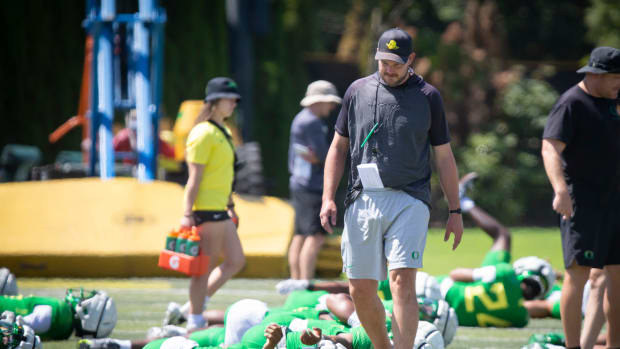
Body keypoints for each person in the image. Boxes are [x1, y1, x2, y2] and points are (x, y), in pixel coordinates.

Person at [320, 27, 464, 349]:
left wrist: (455, 210)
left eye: (396, 63)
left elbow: (443, 157)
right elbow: (338, 147)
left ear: (411, 60)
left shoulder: (429, 97)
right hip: (363, 198)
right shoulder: (356, 90)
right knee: (359, 289)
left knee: (402, 282)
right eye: (383, 61)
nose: (388, 68)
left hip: (410, 199)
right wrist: (328, 197)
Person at [541, 46, 620, 349]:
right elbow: (550, 148)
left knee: (617, 279)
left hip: (615, 203)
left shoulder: (613, 101)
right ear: (595, 75)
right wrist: (560, 189)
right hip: (583, 203)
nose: (619, 84)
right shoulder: (571, 103)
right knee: (578, 275)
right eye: (615, 77)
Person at [438, 173, 556, 328]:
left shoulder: (505, 273)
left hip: (441, 294)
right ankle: (463, 200)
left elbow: (455, 274)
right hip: (450, 319)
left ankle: (464, 202)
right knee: (503, 237)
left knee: (503, 236)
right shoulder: (521, 319)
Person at [178, 77, 246, 331]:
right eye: (229, 99)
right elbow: (193, 179)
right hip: (206, 210)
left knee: (236, 260)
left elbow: (225, 173)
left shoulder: (223, 131)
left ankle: (192, 306)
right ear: (214, 102)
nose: (233, 104)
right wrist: (187, 213)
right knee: (202, 269)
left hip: (221, 208)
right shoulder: (202, 132)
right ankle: (194, 320)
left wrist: (229, 204)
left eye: (235, 100)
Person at [278, 80, 342, 292]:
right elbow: (325, 155)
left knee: (300, 234)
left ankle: (297, 282)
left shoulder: (300, 119)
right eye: (329, 102)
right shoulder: (312, 123)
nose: (331, 107)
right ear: (319, 101)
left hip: (299, 183)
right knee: (315, 235)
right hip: (311, 186)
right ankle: (305, 283)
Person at [0, 288, 116, 340]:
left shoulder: (63, 312)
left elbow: (20, 324)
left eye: (87, 298)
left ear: (89, 313)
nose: (82, 297)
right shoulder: (64, 331)